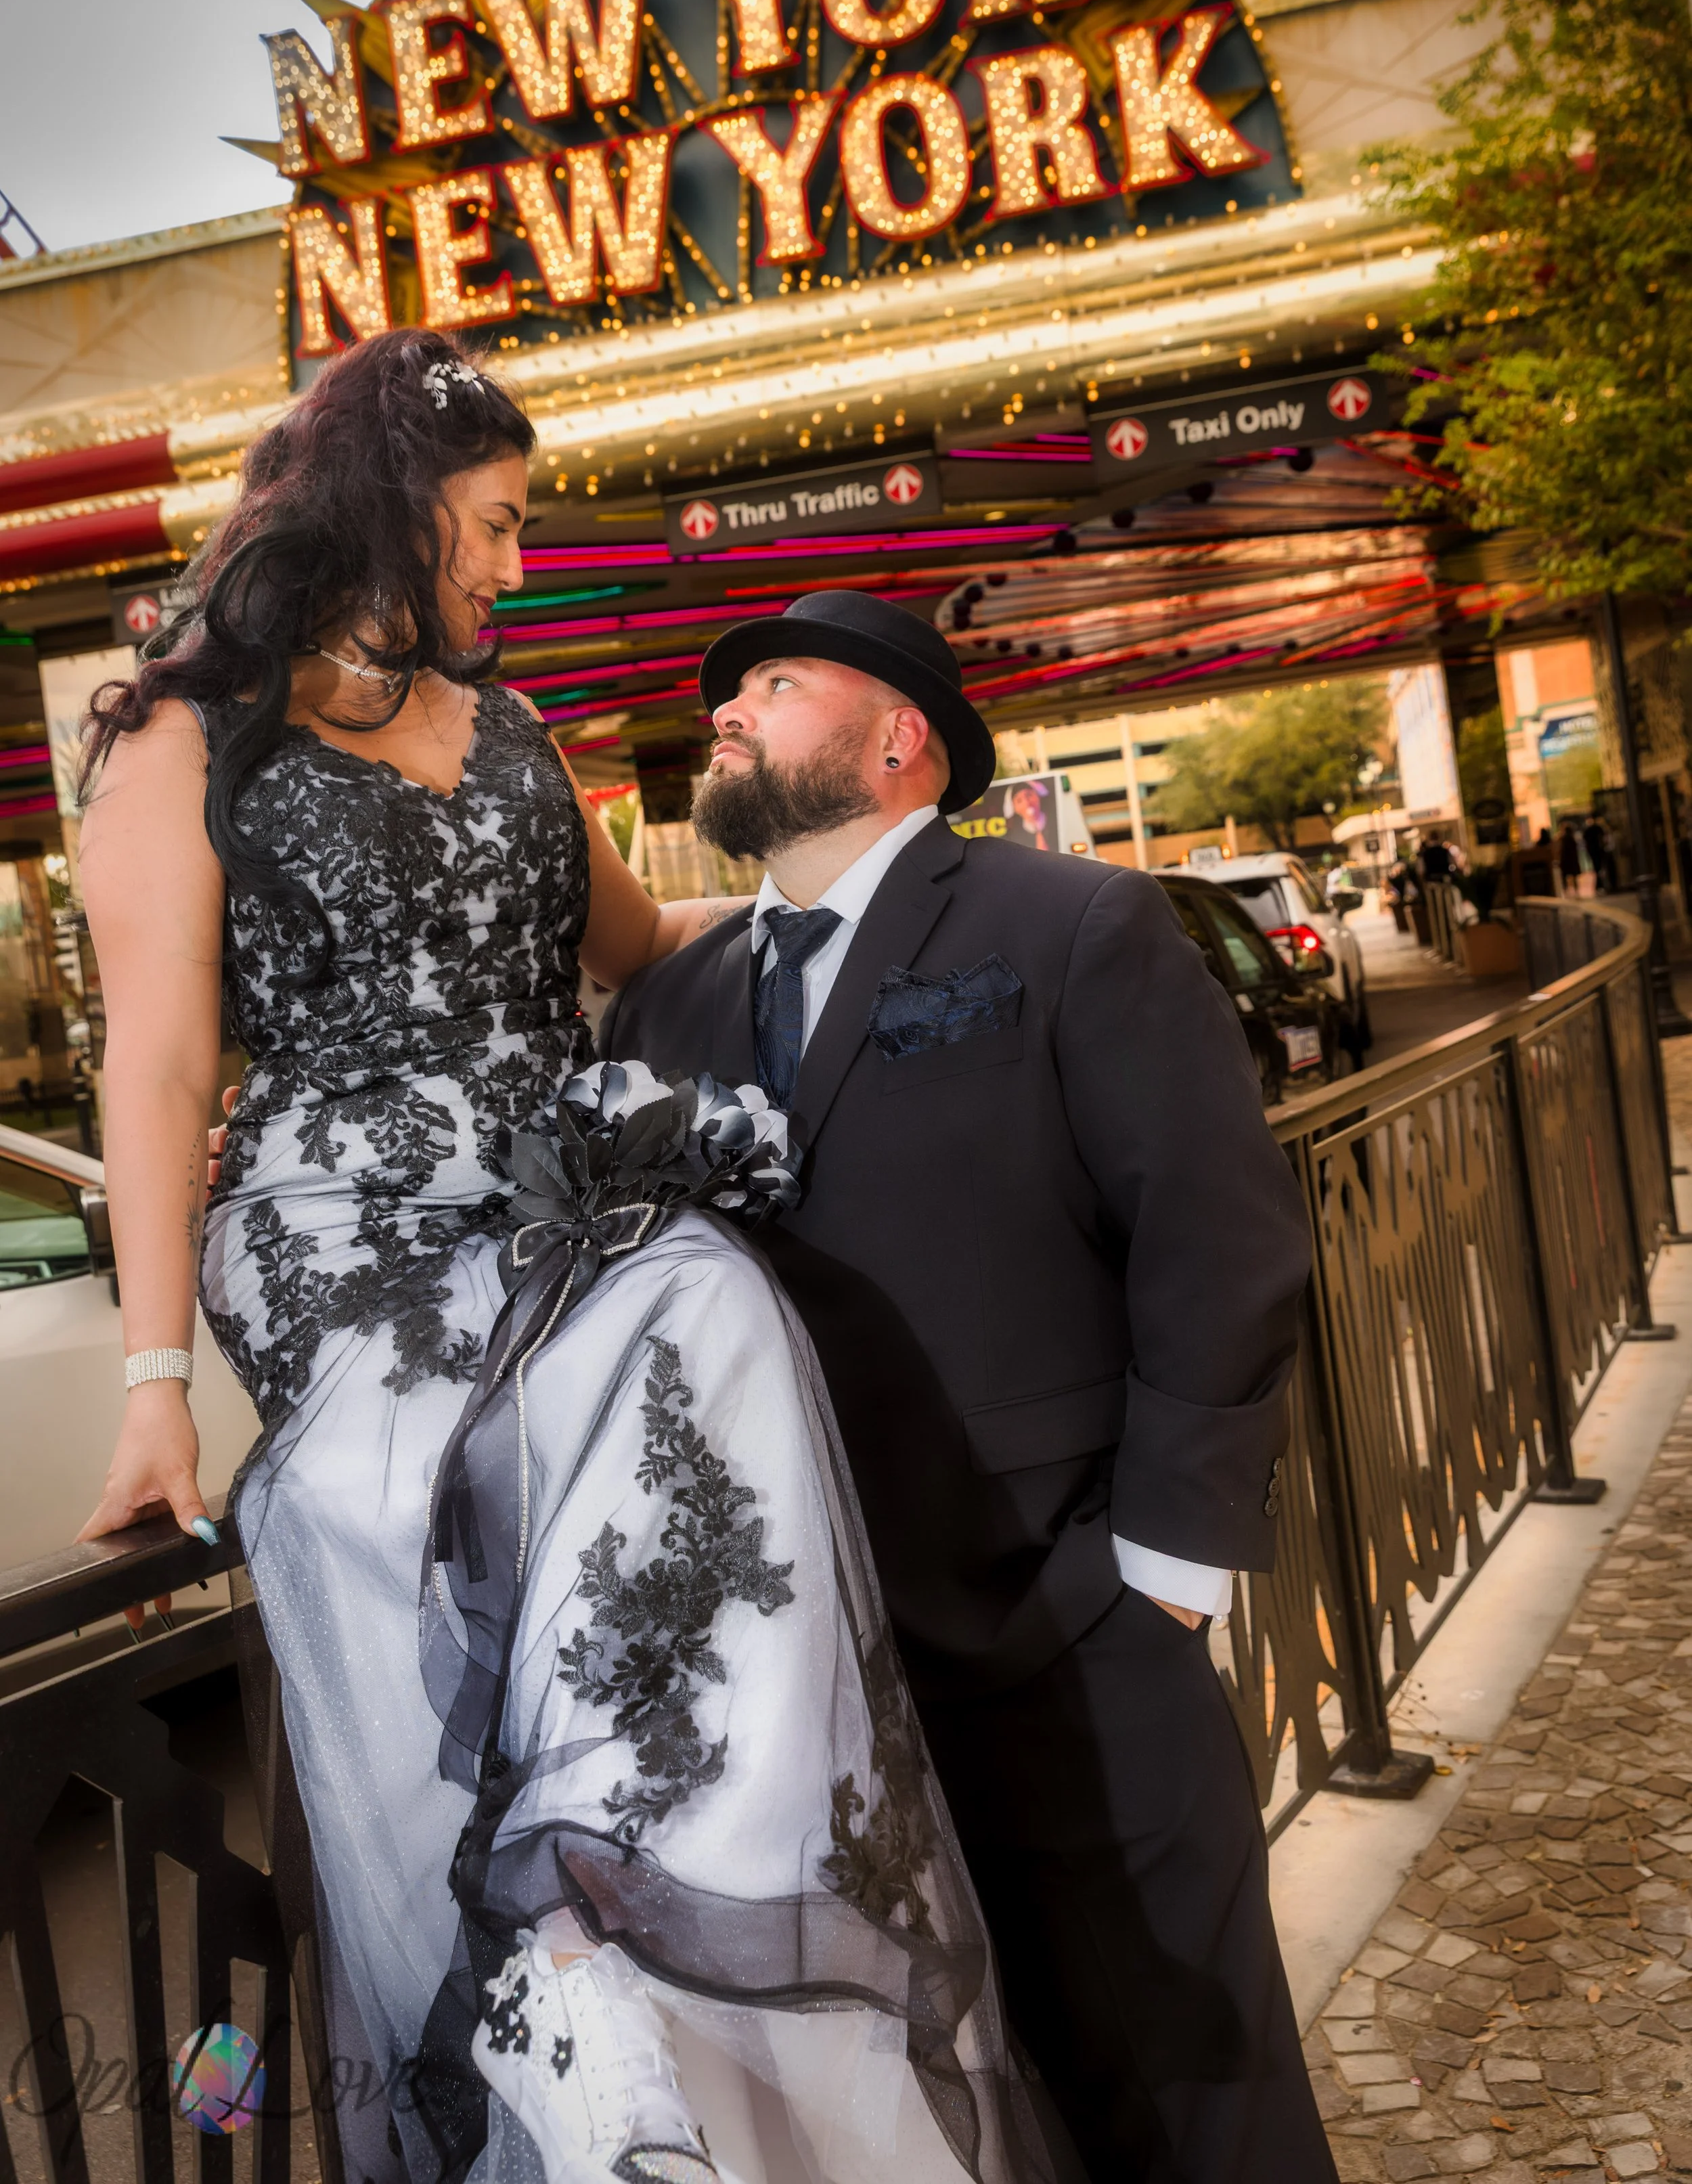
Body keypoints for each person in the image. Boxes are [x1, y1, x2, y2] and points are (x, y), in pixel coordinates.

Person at [76, 333, 1049, 2184]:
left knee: (712, 1307)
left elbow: (639, 938)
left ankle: (614, 1965)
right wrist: (149, 1386)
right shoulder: (183, 733)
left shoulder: (512, 727)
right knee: (477, 1465)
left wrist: (873, 878)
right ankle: (551, 1986)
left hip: (554, 1191)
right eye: (500, 522)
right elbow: (159, 1058)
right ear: (390, 493)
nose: (517, 566)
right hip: (340, 1229)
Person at [604, 589, 1337, 2184]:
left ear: (898, 737)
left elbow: (1217, 1240)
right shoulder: (665, 1004)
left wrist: (1161, 1568)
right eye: (723, 696)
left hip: (1065, 1622)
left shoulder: (1073, 928)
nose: (721, 713)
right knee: (952, 2107)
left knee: (1179, 2077)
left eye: (773, 686)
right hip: (805, 1685)